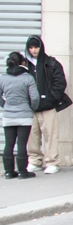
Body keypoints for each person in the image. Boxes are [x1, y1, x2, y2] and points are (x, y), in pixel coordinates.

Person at [24, 35, 69, 174]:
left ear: (41, 47)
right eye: (30, 48)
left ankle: (52, 162)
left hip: (48, 106)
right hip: (31, 107)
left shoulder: (51, 63)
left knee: (51, 135)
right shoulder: (25, 65)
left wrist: (50, 100)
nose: (33, 50)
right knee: (32, 136)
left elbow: (60, 83)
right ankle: (34, 161)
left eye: (36, 47)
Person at [0, 51, 40, 179]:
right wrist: (31, 109)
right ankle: (23, 171)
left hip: (8, 116)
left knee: (9, 143)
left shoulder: (3, 78)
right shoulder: (28, 78)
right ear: (22, 63)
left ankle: (8, 172)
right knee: (22, 143)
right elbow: (34, 98)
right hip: (24, 116)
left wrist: (5, 105)